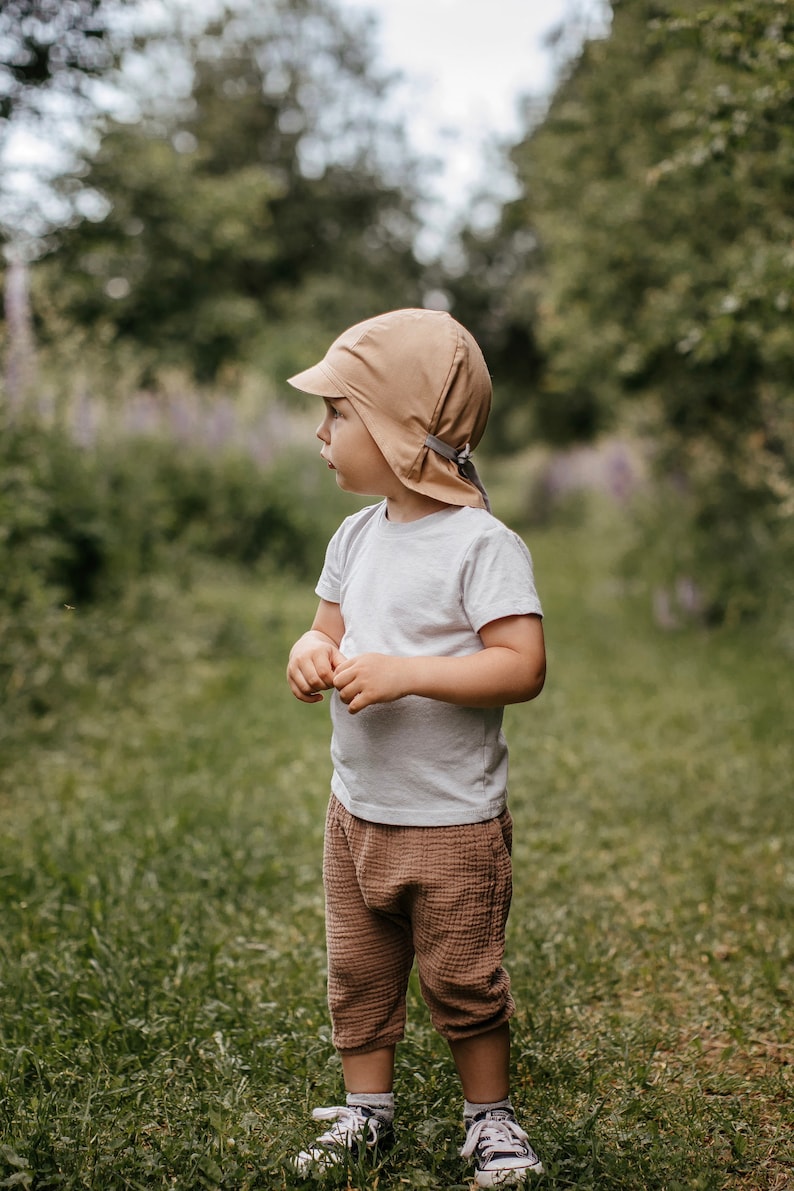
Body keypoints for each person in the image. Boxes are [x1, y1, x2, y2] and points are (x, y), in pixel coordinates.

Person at [285, 308, 546, 1187]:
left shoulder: (482, 545)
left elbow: (522, 665)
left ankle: (491, 1118)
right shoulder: (355, 537)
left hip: (450, 820)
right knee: (358, 968)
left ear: (402, 431)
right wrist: (309, 653)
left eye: (337, 412)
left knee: (463, 976)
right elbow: (323, 630)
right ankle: (368, 1111)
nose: (320, 433)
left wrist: (407, 673)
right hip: (356, 809)